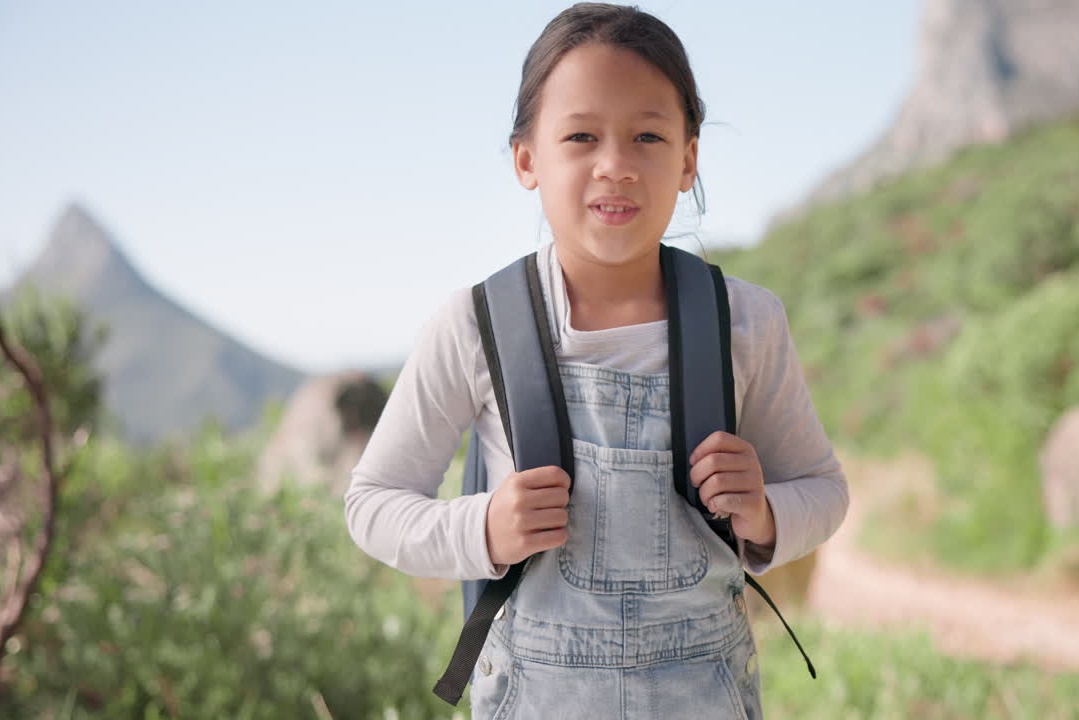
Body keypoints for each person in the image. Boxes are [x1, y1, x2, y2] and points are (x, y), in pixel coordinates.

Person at [343, 3, 849, 718]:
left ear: (688, 158)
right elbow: (372, 506)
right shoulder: (473, 324)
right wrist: (483, 529)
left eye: (648, 135)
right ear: (528, 159)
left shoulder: (745, 321)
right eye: (581, 136)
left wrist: (764, 511)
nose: (615, 165)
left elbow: (825, 490)